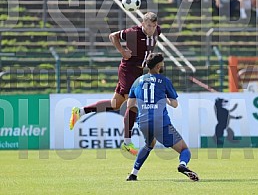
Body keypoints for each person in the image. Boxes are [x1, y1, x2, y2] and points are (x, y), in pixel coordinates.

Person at [69, 12, 161, 156]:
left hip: (138, 72)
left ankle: (80, 111)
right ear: (142, 24)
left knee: (115, 104)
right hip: (128, 70)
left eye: (154, 26)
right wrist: (122, 51)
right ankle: (127, 142)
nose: (151, 29)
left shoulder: (157, 31)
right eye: (149, 26)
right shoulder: (133, 33)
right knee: (133, 103)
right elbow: (113, 36)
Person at [125, 53, 199, 181]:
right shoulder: (164, 81)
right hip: (161, 122)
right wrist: (165, 100)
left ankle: (133, 174)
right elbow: (175, 104)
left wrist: (144, 109)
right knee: (184, 150)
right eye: (163, 63)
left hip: (143, 122)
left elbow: (130, 105)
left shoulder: (137, 81)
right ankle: (182, 165)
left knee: (149, 145)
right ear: (159, 66)